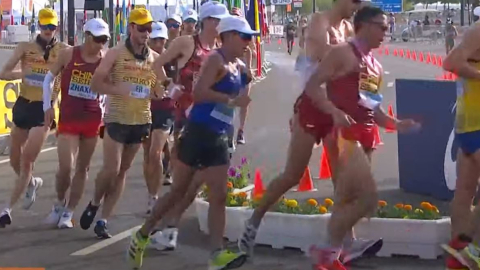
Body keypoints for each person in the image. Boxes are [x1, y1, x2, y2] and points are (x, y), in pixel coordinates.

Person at [127, 14, 254, 270]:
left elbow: (244, 93)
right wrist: (230, 101)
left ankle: (216, 254)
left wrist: (247, 70)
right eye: (244, 37)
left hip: (218, 135)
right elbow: (199, 93)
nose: (248, 42)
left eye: (250, 38)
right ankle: (142, 234)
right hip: (197, 132)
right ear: (227, 36)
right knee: (177, 192)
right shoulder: (215, 60)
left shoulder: (238, 64)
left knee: (219, 195)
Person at [292, 0, 385, 263]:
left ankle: (342, 245)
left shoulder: (364, 54)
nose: (384, 33)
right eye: (380, 27)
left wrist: (389, 122)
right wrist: (309, 110)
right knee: (363, 195)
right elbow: (313, 77)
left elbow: (370, 99)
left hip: (354, 123)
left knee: (347, 188)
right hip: (333, 119)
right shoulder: (322, 26)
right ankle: (329, 248)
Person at [139, 0, 231, 252]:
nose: (222, 25)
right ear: (208, 21)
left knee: (194, 186)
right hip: (186, 122)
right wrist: (169, 87)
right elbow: (156, 64)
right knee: (181, 187)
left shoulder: (221, 49)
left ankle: (169, 228)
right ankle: (150, 230)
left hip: (211, 123)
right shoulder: (187, 43)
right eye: (218, 20)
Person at [78, 8, 164, 239]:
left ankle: (104, 219)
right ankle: (95, 202)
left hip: (141, 121)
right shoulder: (115, 54)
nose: (147, 33)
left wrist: (162, 91)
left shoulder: (154, 58)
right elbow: (95, 84)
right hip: (116, 118)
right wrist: (117, 89)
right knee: (111, 169)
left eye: (149, 29)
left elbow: (161, 89)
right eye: (142, 28)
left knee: (122, 171)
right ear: (131, 28)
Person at [0, 8, 68, 228]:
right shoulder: (25, 48)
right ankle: (30, 184)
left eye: (52, 26)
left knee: (28, 159)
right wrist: (23, 73)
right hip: (23, 104)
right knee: (14, 157)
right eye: (44, 26)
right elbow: (3, 73)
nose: (48, 30)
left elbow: (90, 56)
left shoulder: (64, 50)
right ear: (38, 25)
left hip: (45, 109)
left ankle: (7, 209)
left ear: (57, 27)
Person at [42, 18, 109, 229]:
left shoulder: (105, 59)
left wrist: (106, 111)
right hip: (69, 118)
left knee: (83, 168)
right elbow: (48, 79)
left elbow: (110, 88)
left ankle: (69, 212)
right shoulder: (68, 54)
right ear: (86, 36)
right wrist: (48, 106)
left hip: (92, 119)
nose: (100, 44)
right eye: (97, 39)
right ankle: (59, 203)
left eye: (104, 40)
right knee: (65, 167)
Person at [440, 19, 480, 270]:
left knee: (465, 192)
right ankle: (473, 249)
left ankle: (458, 251)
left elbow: (452, 59)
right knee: (465, 193)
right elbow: (451, 63)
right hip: (476, 121)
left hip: (468, 123)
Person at [142, 21, 172, 214]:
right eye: (155, 40)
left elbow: (176, 84)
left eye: (162, 40)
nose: (158, 44)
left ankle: (155, 198)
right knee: (147, 156)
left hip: (165, 109)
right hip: (144, 110)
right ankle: (151, 194)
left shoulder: (172, 59)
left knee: (155, 153)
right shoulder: (142, 59)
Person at [230, 7, 252, 145]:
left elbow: (250, 49)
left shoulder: (245, 28)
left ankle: (241, 131)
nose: (235, 18)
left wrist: (248, 68)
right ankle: (229, 132)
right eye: (233, 16)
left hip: (242, 72)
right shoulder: (224, 30)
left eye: (237, 16)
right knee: (229, 103)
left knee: (244, 102)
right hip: (230, 72)